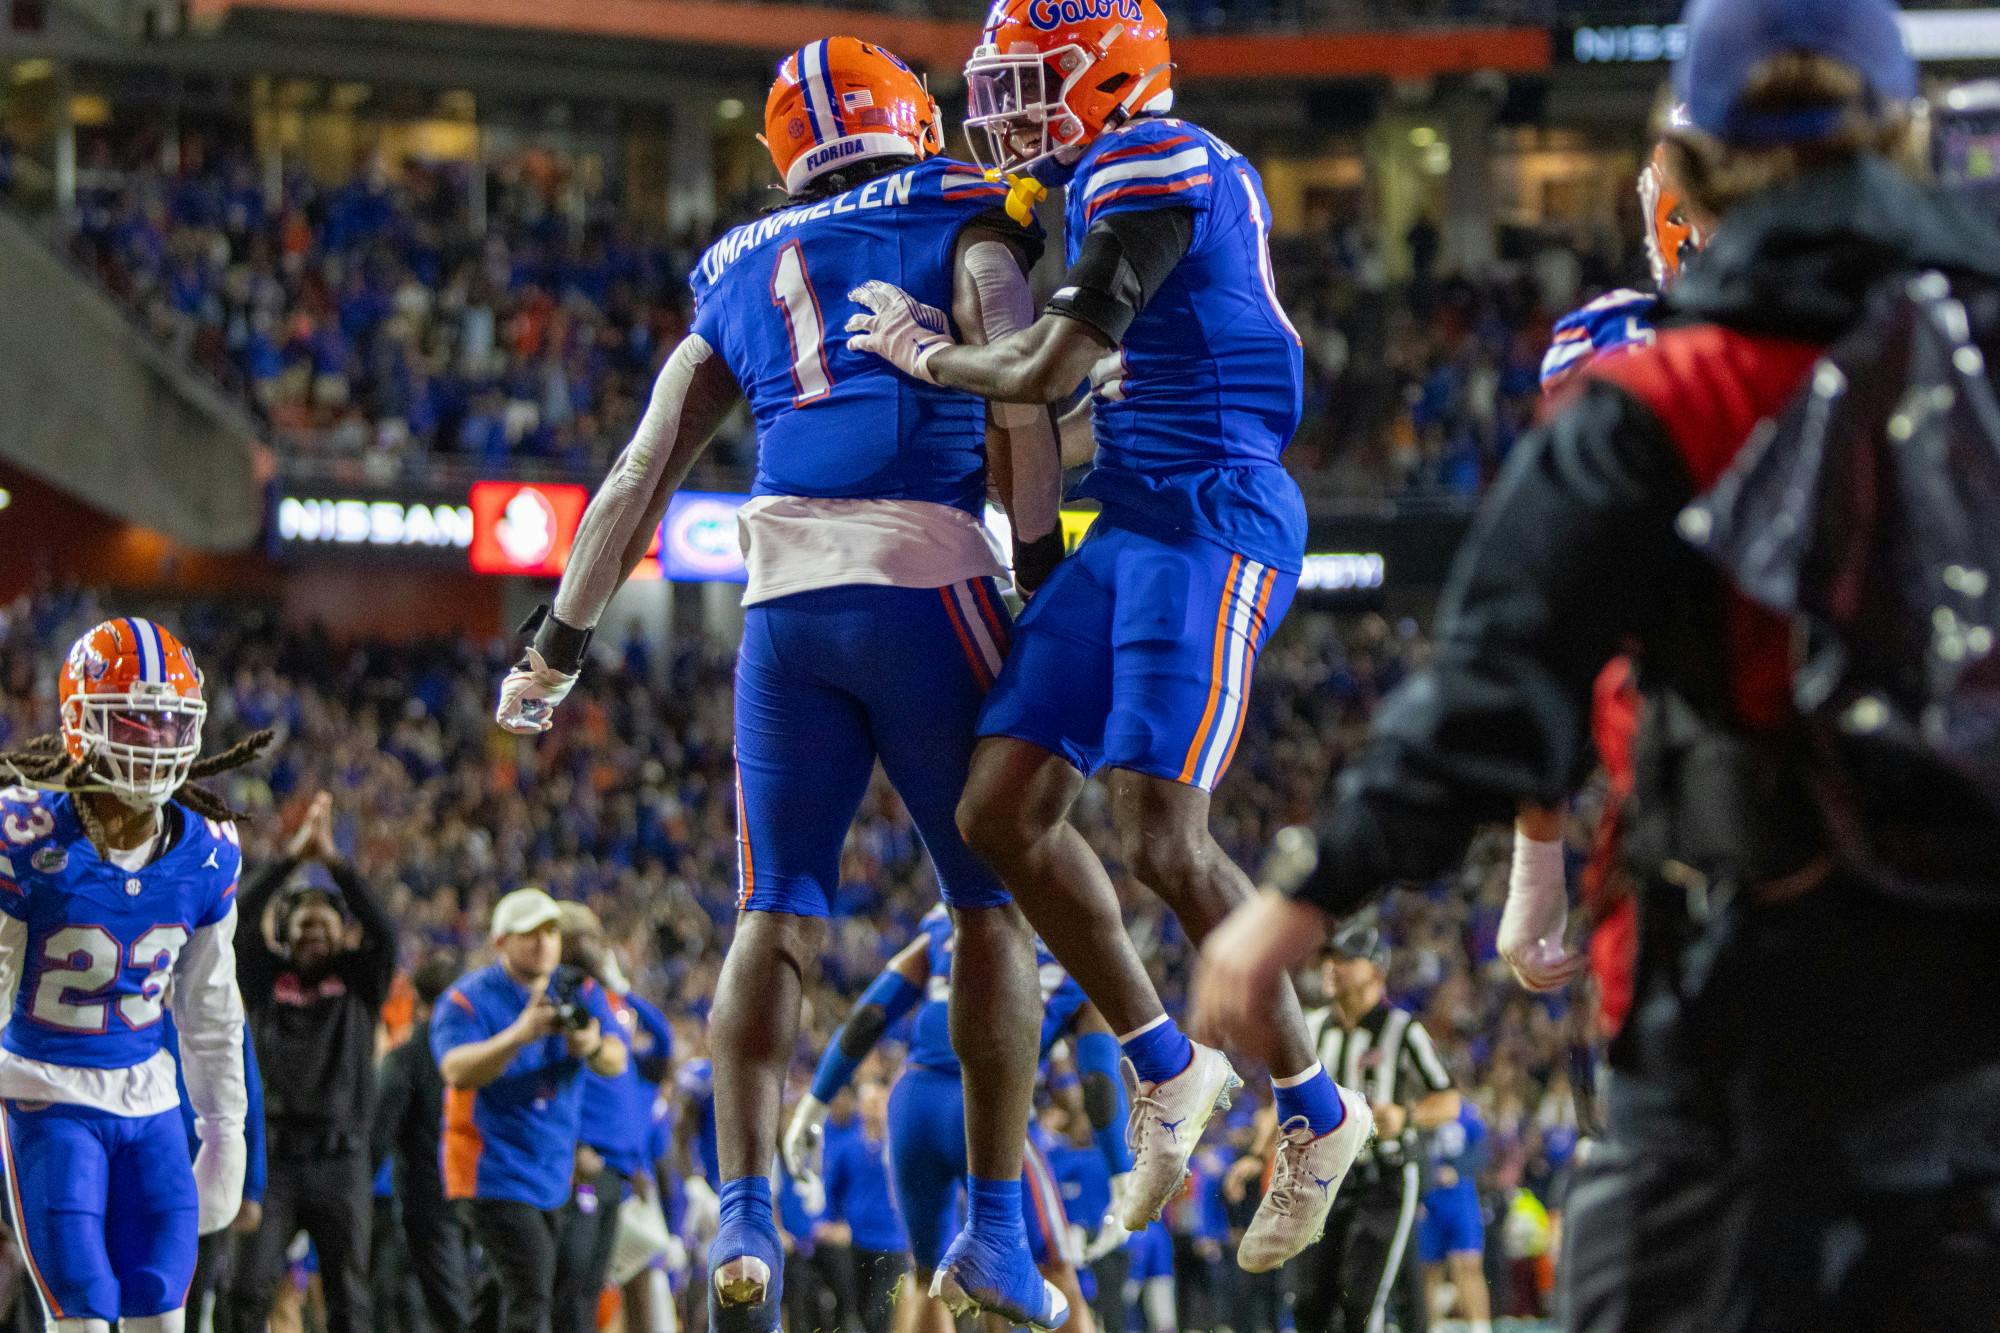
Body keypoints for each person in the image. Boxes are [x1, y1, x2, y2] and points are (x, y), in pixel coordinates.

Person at [1193, 1, 2000, 1326]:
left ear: (1686, 174)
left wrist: (1302, 897)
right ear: (1902, 135)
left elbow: (1503, 672)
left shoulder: (1663, 392)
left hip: (1739, 1002)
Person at [494, 34, 1063, 1333]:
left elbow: (638, 477)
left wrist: (558, 648)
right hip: (932, 576)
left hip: (781, 602)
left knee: (774, 908)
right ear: (910, 118)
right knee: (988, 911)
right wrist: (1038, 570)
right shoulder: (966, 212)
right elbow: (1022, 407)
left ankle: (742, 1209)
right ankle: (994, 1228)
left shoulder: (736, 266)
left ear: (783, 151)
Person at [845, 0, 1369, 1302]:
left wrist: (927, 353)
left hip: (1212, 515)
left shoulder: (1158, 156)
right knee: (999, 806)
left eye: (1029, 82)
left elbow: (1055, 365)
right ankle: (1164, 1066)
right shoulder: (1100, 175)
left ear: (1108, 74)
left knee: (1162, 835)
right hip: (1133, 511)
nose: (1005, 109)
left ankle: (1311, 1107)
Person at [0, 617, 264, 1333]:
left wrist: (224, 1126)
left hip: (149, 1097)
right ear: (80, 721)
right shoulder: (24, 834)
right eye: (135, 720)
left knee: (162, 1304)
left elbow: (211, 1009)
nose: (154, 740)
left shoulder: (208, 848)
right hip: (45, 1093)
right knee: (82, 1310)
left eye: (168, 721)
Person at [784, 906, 1112, 1332]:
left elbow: (871, 1014)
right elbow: (1100, 1080)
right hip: (985, 1105)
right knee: (1052, 1266)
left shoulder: (946, 920)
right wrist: (1123, 1171)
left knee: (928, 1277)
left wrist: (816, 1101)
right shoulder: (1076, 946)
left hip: (912, 1101)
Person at [231, 790, 397, 1333]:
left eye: (325, 921)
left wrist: (336, 866)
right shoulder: (262, 979)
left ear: (341, 932)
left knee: (350, 1297)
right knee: (248, 1291)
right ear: (286, 931)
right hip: (273, 1159)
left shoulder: (358, 983)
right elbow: (243, 916)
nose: (313, 930)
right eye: (302, 921)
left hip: (341, 1161)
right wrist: (290, 860)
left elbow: (386, 932)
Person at [431, 888, 629, 1333]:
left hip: (550, 1169)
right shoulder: (468, 1000)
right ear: (501, 941)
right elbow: (455, 1069)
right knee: (532, 1290)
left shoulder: (580, 988)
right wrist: (520, 1034)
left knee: (508, 1290)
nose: (543, 944)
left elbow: (616, 1058)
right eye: (528, 935)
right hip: (491, 1167)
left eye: (551, 932)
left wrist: (590, 1043)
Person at [1290, 925, 1460, 1333]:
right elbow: (1280, 1099)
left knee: (1363, 1301)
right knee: (1309, 1302)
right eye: (1330, 959)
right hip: (1322, 1181)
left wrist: (1408, 1115)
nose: (1333, 968)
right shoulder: (1311, 1028)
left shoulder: (1402, 1030)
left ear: (1376, 971)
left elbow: (1450, 1099)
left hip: (1385, 1179)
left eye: (1347, 959)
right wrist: (1256, 1156)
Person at [557, 904, 672, 1333]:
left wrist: (622, 990)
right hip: (586, 1159)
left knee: (590, 1284)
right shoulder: (564, 991)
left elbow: (663, 1039)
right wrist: (573, 1145)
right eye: (588, 937)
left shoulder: (602, 998)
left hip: (617, 1167)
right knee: (571, 1280)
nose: (598, 947)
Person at [372, 954, 473, 1333]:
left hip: (424, 1199)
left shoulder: (406, 1058)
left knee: (431, 1303)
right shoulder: (476, 1053)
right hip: (475, 1190)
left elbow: (378, 1134)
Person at [171, 1011, 266, 1333]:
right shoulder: (134, 993)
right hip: (137, 1175)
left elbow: (247, 1097)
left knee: (192, 1304)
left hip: (205, 1176)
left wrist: (251, 1187)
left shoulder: (221, 1006)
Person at [817, 1081, 909, 1333]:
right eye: (869, 1102)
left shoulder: (900, 1147)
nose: (874, 1108)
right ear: (860, 1106)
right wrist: (830, 1221)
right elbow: (832, 1188)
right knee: (853, 1312)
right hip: (856, 1241)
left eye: (879, 1102)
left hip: (894, 1243)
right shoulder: (848, 1147)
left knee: (881, 1315)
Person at [1417, 1102, 1492, 1333]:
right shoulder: (1419, 1109)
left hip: (1460, 1196)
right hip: (1429, 1197)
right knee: (1428, 1267)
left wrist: (1457, 1170)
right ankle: (1433, 1326)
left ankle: (1480, 1326)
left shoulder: (1467, 1112)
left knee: (1468, 1264)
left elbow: (1481, 1151)